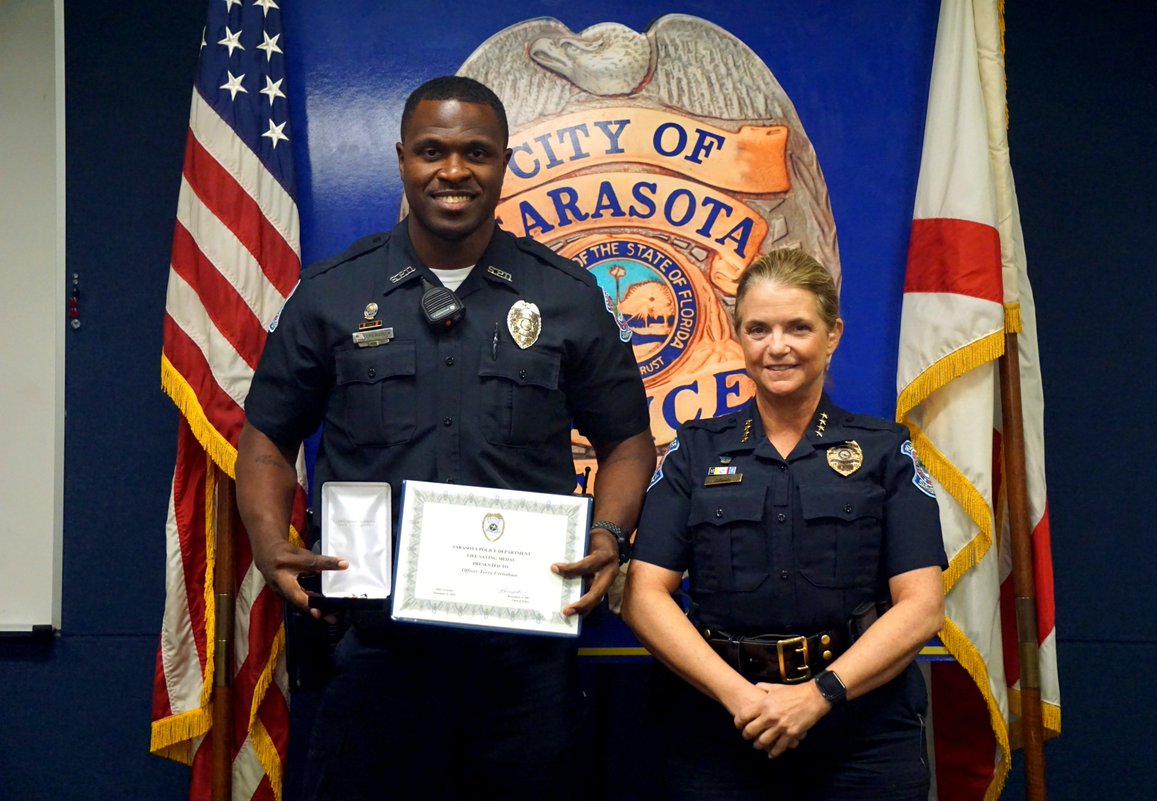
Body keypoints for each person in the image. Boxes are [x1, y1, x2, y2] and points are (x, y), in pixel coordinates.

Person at [235, 75, 656, 801]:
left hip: (522, 660)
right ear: (403, 158)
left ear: (504, 162)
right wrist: (272, 544)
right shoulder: (333, 294)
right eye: (432, 151)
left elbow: (628, 442)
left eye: (476, 153)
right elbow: (267, 439)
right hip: (372, 648)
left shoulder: (566, 296)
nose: (453, 171)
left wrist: (611, 533)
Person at [623, 247, 946, 801]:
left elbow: (923, 605)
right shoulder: (694, 453)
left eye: (799, 327)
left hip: (861, 730)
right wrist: (743, 699)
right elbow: (643, 595)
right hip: (722, 727)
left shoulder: (884, 451)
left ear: (833, 335)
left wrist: (817, 696)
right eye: (759, 329)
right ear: (738, 337)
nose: (777, 347)